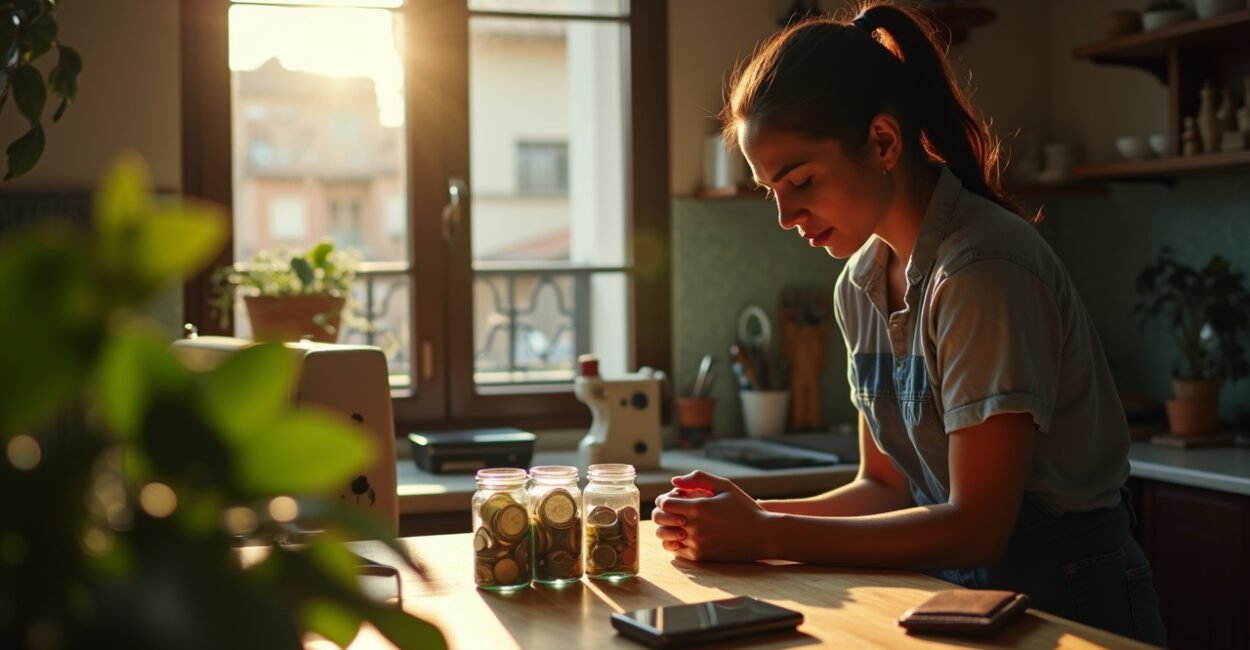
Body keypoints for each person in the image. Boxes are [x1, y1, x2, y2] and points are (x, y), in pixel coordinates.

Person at [651, 3, 1167, 645]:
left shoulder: (981, 271)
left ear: (884, 142)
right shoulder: (859, 286)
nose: (785, 216)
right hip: (955, 595)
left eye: (801, 180)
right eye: (771, 191)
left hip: (1069, 596)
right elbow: (885, 485)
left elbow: (978, 524)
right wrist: (744, 514)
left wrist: (762, 532)